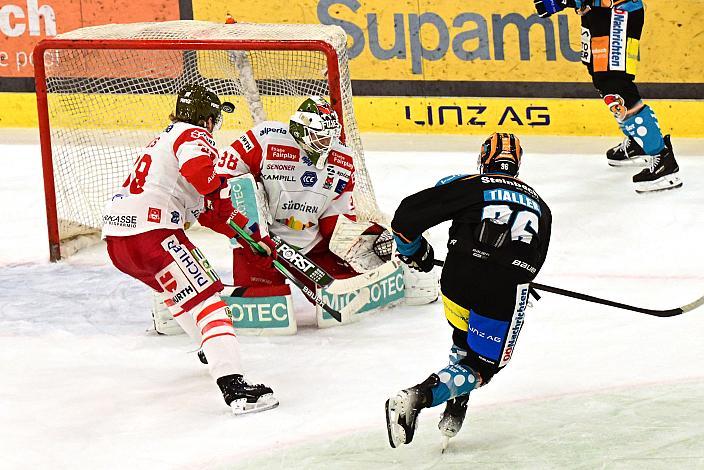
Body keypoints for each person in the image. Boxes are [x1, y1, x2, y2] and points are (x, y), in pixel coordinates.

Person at [102, 83, 278, 414]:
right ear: (208, 120)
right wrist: (223, 187)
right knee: (209, 301)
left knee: (179, 295)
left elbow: (211, 213)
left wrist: (251, 237)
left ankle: (208, 346)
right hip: (153, 233)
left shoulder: (166, 139)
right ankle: (234, 387)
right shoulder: (193, 136)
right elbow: (202, 175)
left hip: (118, 241)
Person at [385, 133, 552, 449]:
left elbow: (406, 217)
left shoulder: (471, 184)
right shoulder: (542, 207)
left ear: (483, 160)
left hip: (457, 281)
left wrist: (413, 249)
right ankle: (419, 396)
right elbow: (535, 259)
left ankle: (457, 402)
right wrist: (520, 282)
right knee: (484, 366)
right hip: (502, 290)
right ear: (517, 166)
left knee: (465, 337)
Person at [216, 96, 358, 298]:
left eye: (330, 137)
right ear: (301, 130)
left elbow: (336, 216)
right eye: (320, 137)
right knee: (264, 307)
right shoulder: (267, 137)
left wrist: (351, 240)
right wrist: (248, 225)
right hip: (259, 244)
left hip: (311, 247)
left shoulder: (343, 159)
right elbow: (224, 174)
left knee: (344, 293)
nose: (327, 143)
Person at [534, 0, 682, 193]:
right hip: (596, 13)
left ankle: (662, 160)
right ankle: (639, 141)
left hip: (618, 10)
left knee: (615, 82)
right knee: (601, 76)